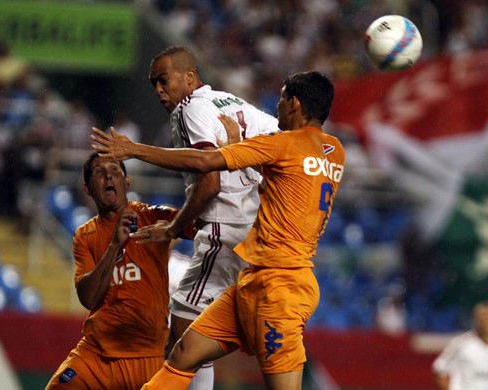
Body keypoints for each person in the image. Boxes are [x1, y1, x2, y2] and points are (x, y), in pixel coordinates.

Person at [91, 70, 345, 390]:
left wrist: (135, 150)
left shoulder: (282, 145)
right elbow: (289, 177)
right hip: (258, 281)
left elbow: (203, 163)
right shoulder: (334, 150)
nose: (277, 106)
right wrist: (243, 148)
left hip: (279, 291)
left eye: (281, 98)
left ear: (294, 104)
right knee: (184, 353)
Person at [146, 46, 280, 389]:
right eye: (153, 85)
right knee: (214, 344)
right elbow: (285, 146)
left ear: (189, 77)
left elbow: (209, 185)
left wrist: (174, 228)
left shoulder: (187, 110)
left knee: (182, 343)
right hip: (257, 237)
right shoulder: (231, 102)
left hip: (225, 233)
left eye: (163, 81)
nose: (159, 91)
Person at [45, 152, 194, 389]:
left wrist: (171, 230)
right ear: (87, 189)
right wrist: (115, 244)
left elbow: (205, 225)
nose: (108, 177)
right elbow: (88, 298)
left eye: (115, 170)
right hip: (97, 355)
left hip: (149, 356)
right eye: (99, 172)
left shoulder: (153, 216)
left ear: (127, 181)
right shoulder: (85, 235)